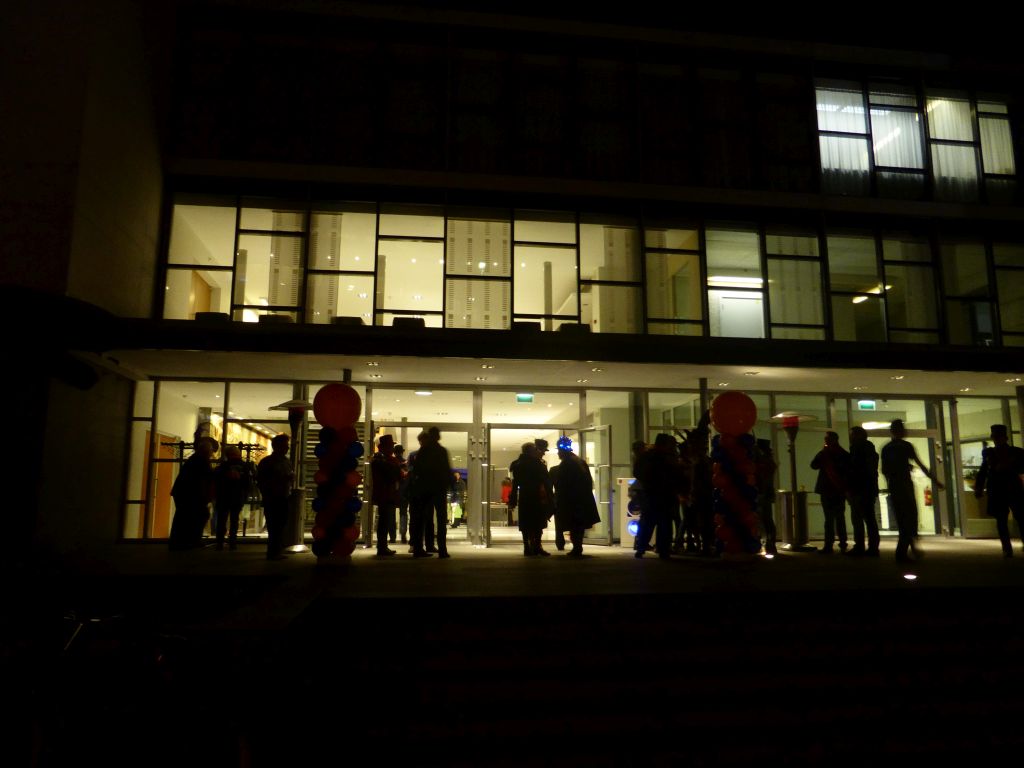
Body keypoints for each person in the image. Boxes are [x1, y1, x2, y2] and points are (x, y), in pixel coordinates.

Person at [881, 419, 943, 563]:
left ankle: (906, 549)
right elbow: (921, 465)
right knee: (910, 517)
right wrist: (935, 481)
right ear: (902, 431)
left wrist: (892, 479)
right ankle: (906, 550)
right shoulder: (906, 446)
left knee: (902, 519)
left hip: (895, 486)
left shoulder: (887, 448)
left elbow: (885, 470)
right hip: (905, 486)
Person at [974, 424, 1024, 558]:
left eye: (998, 436)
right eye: (995, 437)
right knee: (1003, 520)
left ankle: (1007, 549)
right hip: (1003, 488)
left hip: (1008, 488)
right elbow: (984, 470)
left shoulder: (1016, 453)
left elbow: (983, 471)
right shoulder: (992, 453)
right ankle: (1007, 548)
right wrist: (979, 486)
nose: (996, 439)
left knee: (1017, 518)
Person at [634, 433, 682, 560]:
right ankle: (663, 549)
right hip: (665, 495)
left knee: (647, 522)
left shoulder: (647, 456)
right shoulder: (668, 458)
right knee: (664, 523)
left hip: (650, 493)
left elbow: (637, 471)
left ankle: (641, 547)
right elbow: (676, 475)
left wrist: (646, 483)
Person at [550, 438, 601, 557]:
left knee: (574, 525)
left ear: (562, 451)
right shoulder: (579, 461)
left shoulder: (567, 463)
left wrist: (559, 499)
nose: (558, 453)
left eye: (559, 451)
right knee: (578, 525)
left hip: (572, 501)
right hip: (582, 500)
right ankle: (578, 547)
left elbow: (562, 483)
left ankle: (577, 548)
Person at [410, 426, 454, 558]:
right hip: (438, 489)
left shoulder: (424, 451)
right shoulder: (441, 451)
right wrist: (450, 485)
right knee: (440, 520)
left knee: (422, 519)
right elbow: (446, 470)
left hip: (425, 488)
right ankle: (442, 549)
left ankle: (418, 548)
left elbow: (417, 470)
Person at [169, 436, 218, 551]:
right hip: (191, 495)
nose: (212, 454)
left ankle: (182, 542)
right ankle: (190, 541)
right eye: (211, 451)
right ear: (207, 451)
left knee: (183, 517)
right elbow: (204, 478)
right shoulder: (202, 461)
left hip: (184, 493)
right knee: (196, 517)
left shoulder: (194, 459)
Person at [508, 442, 553, 556]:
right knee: (538, 522)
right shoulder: (537, 464)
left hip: (524, 496)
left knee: (526, 522)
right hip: (537, 496)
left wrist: (513, 498)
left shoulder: (517, 464)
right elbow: (546, 481)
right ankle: (537, 546)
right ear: (531, 451)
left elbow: (515, 483)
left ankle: (527, 547)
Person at [811, 431, 850, 554]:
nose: (825, 441)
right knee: (840, 517)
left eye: (827, 438)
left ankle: (829, 545)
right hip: (839, 490)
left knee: (829, 519)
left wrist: (822, 453)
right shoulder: (844, 454)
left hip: (827, 490)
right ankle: (842, 543)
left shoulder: (824, 454)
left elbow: (813, 465)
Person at [257, 434, 294, 561]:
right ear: (277, 446)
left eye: (287, 446)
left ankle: (276, 550)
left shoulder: (285, 461)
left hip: (283, 497)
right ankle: (273, 552)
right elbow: (263, 481)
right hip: (273, 498)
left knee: (281, 524)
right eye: (285, 446)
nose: (287, 448)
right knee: (274, 526)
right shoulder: (268, 462)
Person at [846, 426, 880, 557]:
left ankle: (861, 546)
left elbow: (855, 471)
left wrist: (850, 488)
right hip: (866, 489)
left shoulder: (858, 450)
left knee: (860, 519)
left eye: (852, 435)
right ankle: (872, 547)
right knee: (868, 519)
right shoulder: (868, 450)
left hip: (860, 489)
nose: (851, 437)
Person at [213, 444, 251, 551]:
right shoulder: (244, 466)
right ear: (238, 454)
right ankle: (232, 542)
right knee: (234, 520)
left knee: (222, 519)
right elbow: (247, 483)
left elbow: (217, 480)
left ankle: (220, 542)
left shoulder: (222, 466)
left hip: (223, 496)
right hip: (237, 496)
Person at [370, 434, 401, 557]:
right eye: (390, 446)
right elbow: (393, 475)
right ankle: (382, 547)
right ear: (383, 447)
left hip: (385, 493)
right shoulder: (383, 460)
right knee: (384, 520)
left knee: (385, 520)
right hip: (386, 494)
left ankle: (382, 546)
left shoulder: (381, 459)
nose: (392, 448)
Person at [753, 438, 778, 556]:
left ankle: (768, 542)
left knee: (764, 519)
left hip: (763, 492)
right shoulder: (769, 461)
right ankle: (769, 542)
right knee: (766, 519)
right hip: (765, 492)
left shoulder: (764, 462)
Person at [394, 444, 410, 545]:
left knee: (391, 514)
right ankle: (403, 534)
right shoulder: (406, 463)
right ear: (402, 451)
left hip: (393, 491)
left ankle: (392, 536)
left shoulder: (391, 462)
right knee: (403, 513)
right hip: (405, 491)